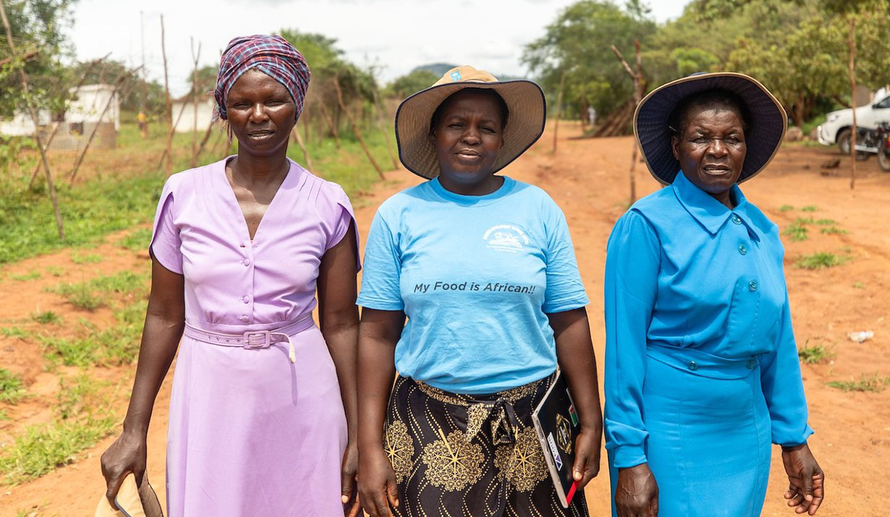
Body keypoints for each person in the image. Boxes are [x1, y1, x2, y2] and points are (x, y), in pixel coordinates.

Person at [100, 34, 361, 517]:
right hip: (210, 394)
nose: (258, 114)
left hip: (303, 396)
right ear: (225, 110)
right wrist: (133, 429)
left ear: (296, 105)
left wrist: (361, 435)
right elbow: (163, 314)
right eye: (242, 103)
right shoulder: (184, 195)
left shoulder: (328, 202)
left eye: (274, 100)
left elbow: (343, 323)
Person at [356, 65, 603, 517]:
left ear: (502, 138)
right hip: (429, 421)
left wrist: (591, 421)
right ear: (434, 134)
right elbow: (375, 334)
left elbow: (568, 318)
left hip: (533, 419)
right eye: (456, 125)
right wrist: (369, 446)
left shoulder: (537, 209)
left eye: (486, 127)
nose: (471, 137)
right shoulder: (400, 215)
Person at [603, 72, 825, 517]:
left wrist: (794, 438)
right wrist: (629, 457)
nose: (718, 150)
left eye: (732, 138)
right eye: (700, 137)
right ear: (675, 146)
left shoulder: (761, 228)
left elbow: (778, 340)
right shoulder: (646, 225)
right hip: (673, 428)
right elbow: (623, 348)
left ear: (746, 146)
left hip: (748, 427)